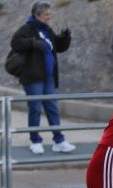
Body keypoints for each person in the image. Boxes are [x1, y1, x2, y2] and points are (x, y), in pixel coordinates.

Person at [10, 1, 75, 155]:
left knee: (52, 108)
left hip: (48, 77)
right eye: (46, 14)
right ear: (37, 15)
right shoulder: (27, 28)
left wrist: (65, 37)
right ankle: (35, 140)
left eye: (49, 14)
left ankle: (59, 140)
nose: (49, 16)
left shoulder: (47, 30)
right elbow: (15, 43)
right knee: (35, 109)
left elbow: (59, 47)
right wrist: (33, 43)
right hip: (33, 77)